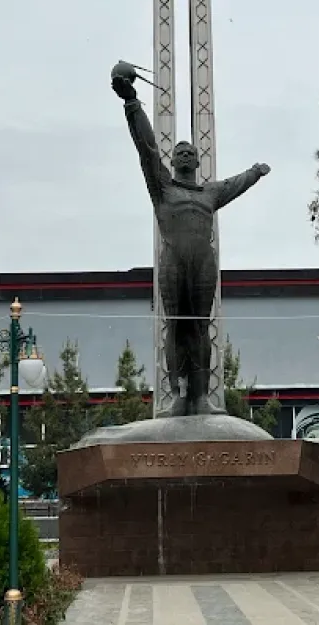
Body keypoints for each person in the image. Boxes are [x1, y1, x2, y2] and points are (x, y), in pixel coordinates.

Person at [112, 72, 270, 417]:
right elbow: (146, 148)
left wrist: (256, 172)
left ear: (198, 162)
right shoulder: (163, 189)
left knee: (199, 326)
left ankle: (201, 396)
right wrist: (131, 102)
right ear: (173, 162)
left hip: (202, 263)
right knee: (175, 326)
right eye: (179, 152)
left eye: (189, 152)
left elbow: (236, 183)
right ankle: (177, 394)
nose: (183, 155)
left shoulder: (210, 193)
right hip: (172, 261)